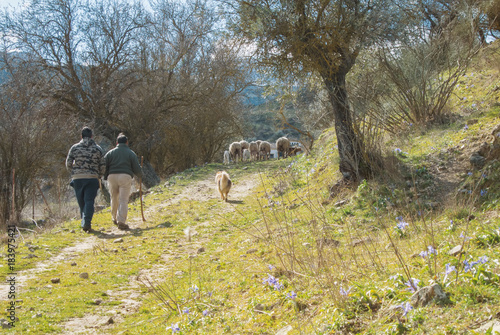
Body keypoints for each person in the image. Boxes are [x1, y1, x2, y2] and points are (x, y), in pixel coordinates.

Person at [66, 126, 105, 232]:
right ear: (92, 136)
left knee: (81, 202)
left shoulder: (74, 148)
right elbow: (102, 165)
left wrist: (74, 172)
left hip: (78, 178)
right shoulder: (98, 149)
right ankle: (86, 222)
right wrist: (99, 175)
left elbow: (68, 163)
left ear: (81, 136)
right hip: (92, 178)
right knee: (89, 201)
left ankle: (84, 222)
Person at [104, 133, 142, 230]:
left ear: (116, 142)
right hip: (125, 176)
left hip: (112, 177)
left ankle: (114, 218)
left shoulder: (110, 153)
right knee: (123, 200)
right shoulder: (131, 153)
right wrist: (140, 175)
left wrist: (105, 177)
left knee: (114, 198)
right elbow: (136, 168)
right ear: (127, 142)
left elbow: (104, 165)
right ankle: (121, 221)